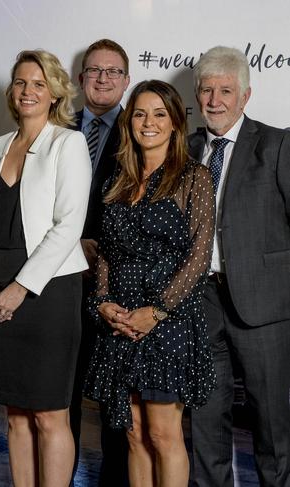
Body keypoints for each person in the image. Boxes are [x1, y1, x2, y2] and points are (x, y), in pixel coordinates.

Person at [84, 80, 215, 487]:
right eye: (140, 113)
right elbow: (106, 250)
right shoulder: (115, 182)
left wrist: (156, 312)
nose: (149, 122)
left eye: (160, 114)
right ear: (129, 122)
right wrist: (103, 302)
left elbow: (199, 258)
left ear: (176, 122)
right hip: (121, 321)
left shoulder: (194, 178)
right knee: (134, 434)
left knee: (162, 433)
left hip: (168, 322)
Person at [0, 49, 91, 486]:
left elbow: (68, 226)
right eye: (21, 82)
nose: (28, 91)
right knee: (16, 415)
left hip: (49, 294)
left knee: (49, 415)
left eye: (38, 83)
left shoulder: (68, 142)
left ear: (55, 92)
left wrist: (19, 289)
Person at [188, 46, 290, 487]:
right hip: (201, 302)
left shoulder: (277, 143)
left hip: (264, 307)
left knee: (273, 426)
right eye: (207, 90)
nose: (215, 100)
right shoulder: (186, 148)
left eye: (225, 90)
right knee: (206, 421)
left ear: (245, 96)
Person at [69, 38, 131, 487]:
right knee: (61, 393)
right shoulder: (54, 127)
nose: (103, 78)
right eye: (95, 70)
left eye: (113, 72)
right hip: (61, 280)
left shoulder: (145, 127)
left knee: (116, 398)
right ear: (80, 79)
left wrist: (102, 246)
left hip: (119, 285)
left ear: (126, 81)